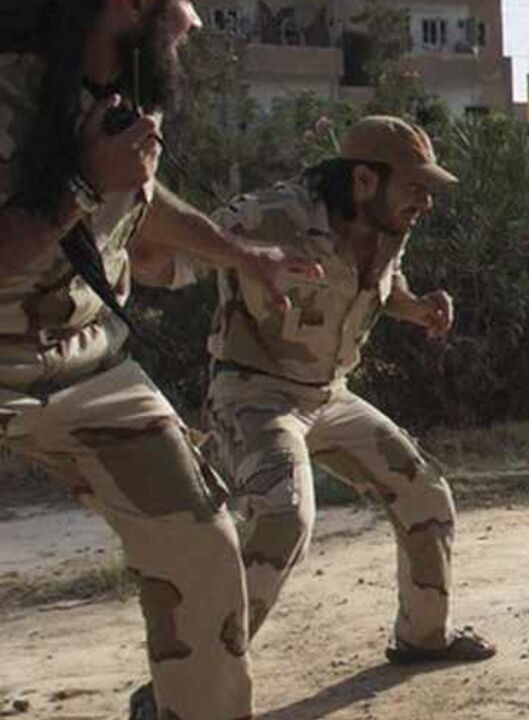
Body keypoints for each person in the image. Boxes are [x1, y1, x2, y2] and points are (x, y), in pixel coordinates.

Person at [0, 1, 316, 718]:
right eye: (179, 6)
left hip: (87, 366)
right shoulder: (13, 88)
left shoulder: (130, 93)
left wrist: (243, 256)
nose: (193, 22)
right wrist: (83, 183)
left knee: (202, 549)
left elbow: (141, 202)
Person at [199, 116, 496, 666]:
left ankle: (423, 638)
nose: (424, 203)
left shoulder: (387, 226)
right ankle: (191, 678)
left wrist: (418, 307)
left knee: (425, 495)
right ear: (364, 180)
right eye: (414, 188)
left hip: (328, 396)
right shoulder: (271, 216)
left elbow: (386, 284)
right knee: (283, 518)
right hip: (254, 396)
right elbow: (182, 245)